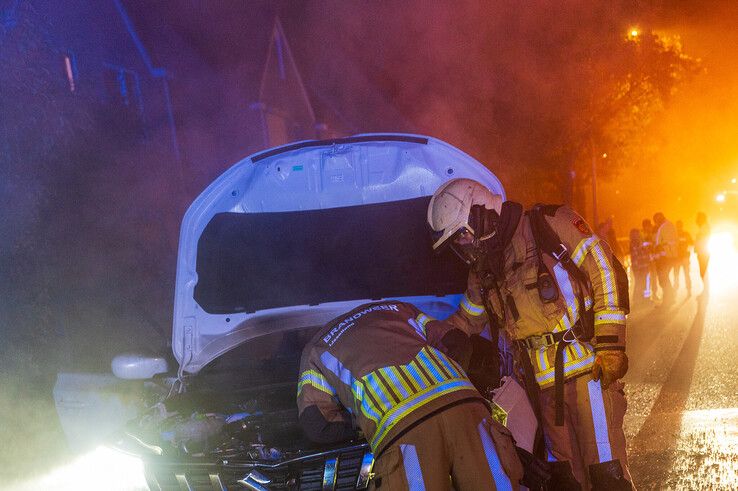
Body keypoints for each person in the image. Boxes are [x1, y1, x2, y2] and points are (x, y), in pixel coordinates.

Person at [427, 178, 633, 490]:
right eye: (458, 242)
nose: (465, 246)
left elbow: (605, 269)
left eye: (464, 234)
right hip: (541, 391)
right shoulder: (483, 272)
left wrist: (611, 345)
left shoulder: (547, 224)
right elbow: (466, 321)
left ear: (481, 213)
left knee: (607, 477)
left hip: (589, 376)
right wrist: (423, 333)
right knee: (567, 482)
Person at [297, 301, 524, 490]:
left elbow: (317, 423)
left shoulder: (316, 348)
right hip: (466, 408)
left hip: (405, 429)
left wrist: (363, 422)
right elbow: (458, 342)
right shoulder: (397, 308)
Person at [652, 212, 678, 305]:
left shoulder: (666, 226)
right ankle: (670, 299)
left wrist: (658, 251)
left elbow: (662, 243)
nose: (656, 222)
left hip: (666, 256)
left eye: (656, 220)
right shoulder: (666, 226)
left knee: (663, 279)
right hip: (668, 256)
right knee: (664, 278)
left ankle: (668, 300)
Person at [629, 228, 651, 307]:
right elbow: (635, 256)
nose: (638, 235)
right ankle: (638, 300)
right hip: (639, 267)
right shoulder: (634, 243)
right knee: (640, 283)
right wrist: (636, 268)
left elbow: (646, 253)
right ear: (633, 236)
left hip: (645, 266)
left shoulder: (640, 242)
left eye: (638, 234)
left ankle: (645, 299)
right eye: (636, 234)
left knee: (645, 283)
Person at [674, 220, 693, 295]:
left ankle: (686, 290)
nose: (679, 227)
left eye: (679, 226)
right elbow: (691, 242)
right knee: (682, 274)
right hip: (681, 257)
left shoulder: (674, 234)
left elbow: (691, 242)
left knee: (678, 274)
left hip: (680, 257)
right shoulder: (685, 233)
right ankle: (688, 290)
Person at [695, 212, 711, 281]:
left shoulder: (704, 227)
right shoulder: (703, 227)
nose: (696, 220)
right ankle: (705, 287)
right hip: (703, 251)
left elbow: (702, 239)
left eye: (698, 218)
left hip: (703, 251)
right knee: (703, 269)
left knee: (703, 269)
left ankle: (705, 288)